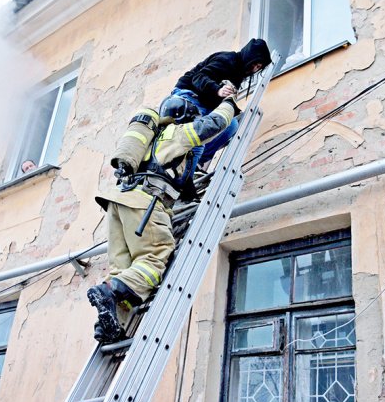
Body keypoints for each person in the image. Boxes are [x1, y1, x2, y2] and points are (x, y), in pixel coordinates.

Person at [88, 94, 240, 343]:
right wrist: (229, 105)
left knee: (124, 270)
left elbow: (172, 175)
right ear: (184, 116)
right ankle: (108, 292)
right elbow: (214, 124)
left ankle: (109, 326)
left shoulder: (149, 141)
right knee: (155, 258)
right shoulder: (176, 133)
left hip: (118, 202)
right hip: (145, 204)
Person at [171, 38, 271, 171]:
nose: (254, 69)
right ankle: (187, 159)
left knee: (231, 125)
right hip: (188, 96)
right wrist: (217, 90)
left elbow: (222, 100)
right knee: (200, 128)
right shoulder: (228, 60)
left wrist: (235, 111)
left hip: (205, 103)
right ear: (248, 57)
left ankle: (197, 162)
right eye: (254, 64)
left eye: (258, 67)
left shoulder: (238, 75)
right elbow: (198, 77)